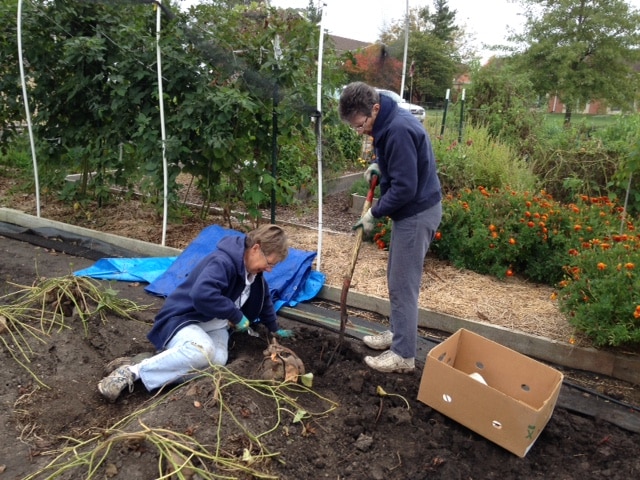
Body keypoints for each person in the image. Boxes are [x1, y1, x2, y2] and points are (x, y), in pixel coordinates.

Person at [98, 224, 294, 402]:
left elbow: (264, 298)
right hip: (184, 319)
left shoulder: (254, 274)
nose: (269, 269)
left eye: (273, 266)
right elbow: (202, 294)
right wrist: (235, 315)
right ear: (256, 248)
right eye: (269, 263)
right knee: (202, 351)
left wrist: (274, 329)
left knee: (217, 363)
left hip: (214, 325)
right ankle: (130, 372)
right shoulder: (222, 262)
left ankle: (150, 365)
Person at [339, 82, 442, 373]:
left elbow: (405, 189)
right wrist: (380, 165)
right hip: (412, 211)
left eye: (361, 124)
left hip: (417, 212)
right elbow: (396, 161)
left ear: (374, 109)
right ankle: (399, 334)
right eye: (354, 127)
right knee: (397, 279)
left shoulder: (397, 129)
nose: (359, 130)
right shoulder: (385, 117)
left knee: (403, 286)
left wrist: (375, 212)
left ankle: (403, 355)